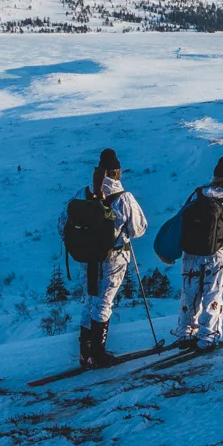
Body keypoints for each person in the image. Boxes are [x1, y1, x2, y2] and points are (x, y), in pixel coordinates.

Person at [173, 155, 223, 349]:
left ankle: (185, 333)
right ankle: (208, 336)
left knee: (190, 294)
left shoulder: (197, 194)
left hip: (190, 254)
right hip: (215, 255)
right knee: (212, 294)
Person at [80, 148, 148, 366]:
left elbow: (63, 224)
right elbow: (138, 229)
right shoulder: (124, 198)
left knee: (89, 300)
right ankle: (99, 355)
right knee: (104, 302)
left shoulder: (83, 194)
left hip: (88, 257)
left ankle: (85, 353)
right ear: (118, 172)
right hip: (114, 258)